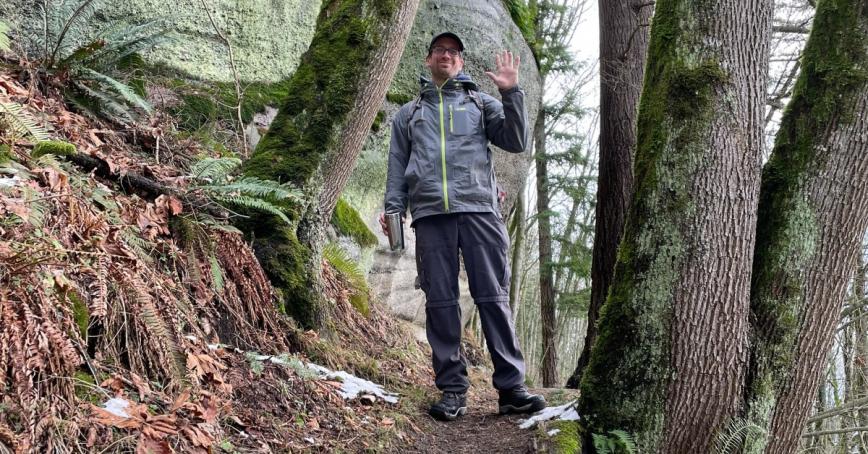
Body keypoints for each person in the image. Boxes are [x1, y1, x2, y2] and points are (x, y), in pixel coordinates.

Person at [379, 32, 546, 421]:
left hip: (480, 211)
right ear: (428, 59)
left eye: (453, 52)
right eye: (439, 50)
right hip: (431, 214)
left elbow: (517, 140)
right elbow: (396, 166)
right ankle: (452, 389)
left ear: (462, 62)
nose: (446, 56)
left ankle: (511, 389)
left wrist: (511, 92)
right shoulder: (409, 113)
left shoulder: (480, 103)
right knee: (440, 302)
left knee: (493, 296)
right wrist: (393, 210)